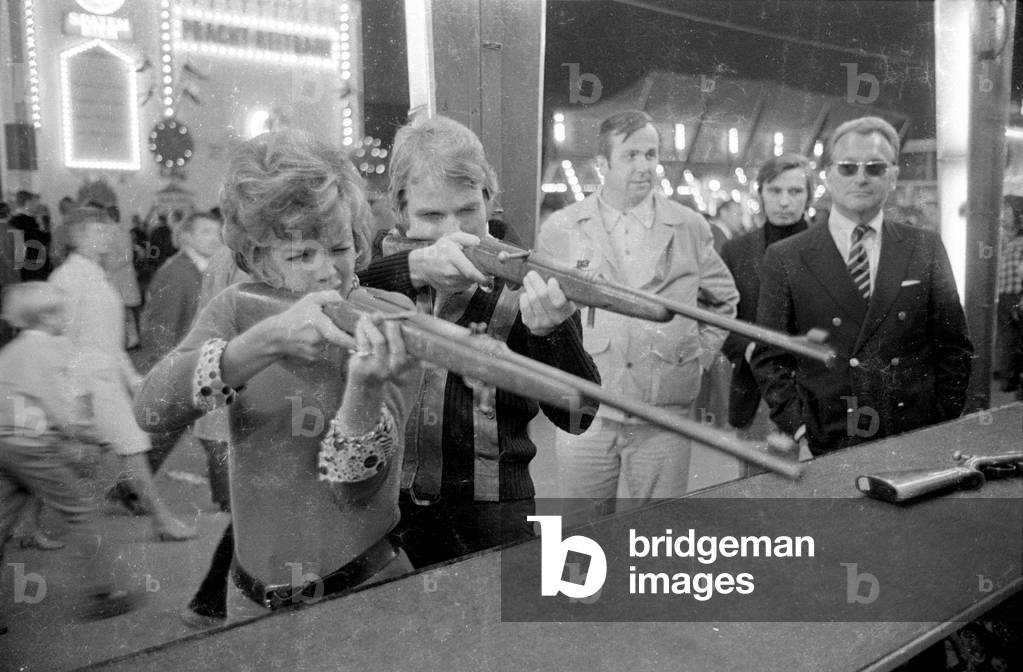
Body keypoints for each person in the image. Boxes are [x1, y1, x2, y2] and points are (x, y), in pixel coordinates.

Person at [135, 129, 416, 617]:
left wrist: (364, 387)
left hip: (365, 589)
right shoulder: (238, 309)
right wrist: (261, 343)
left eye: (341, 247)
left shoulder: (389, 318)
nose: (328, 271)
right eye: (300, 255)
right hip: (247, 597)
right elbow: (152, 410)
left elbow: (355, 490)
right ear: (256, 257)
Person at [359, 114, 600, 568]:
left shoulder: (531, 276)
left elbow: (578, 416)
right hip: (382, 507)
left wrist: (552, 335)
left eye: (468, 210)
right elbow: (332, 294)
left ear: (490, 200)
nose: (454, 231)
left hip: (494, 512)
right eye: (431, 215)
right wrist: (410, 270)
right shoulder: (369, 265)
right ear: (399, 210)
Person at [538, 109, 738, 514]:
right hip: (585, 409)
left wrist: (698, 355)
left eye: (651, 155)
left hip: (662, 411)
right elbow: (545, 312)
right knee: (582, 531)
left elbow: (723, 297)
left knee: (659, 531)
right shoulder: (562, 229)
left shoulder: (689, 226)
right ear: (602, 164)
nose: (644, 166)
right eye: (631, 156)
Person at [752, 116, 973, 455]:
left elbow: (953, 346)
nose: (860, 177)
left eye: (875, 168)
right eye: (847, 167)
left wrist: (939, 421)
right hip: (829, 439)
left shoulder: (925, 247)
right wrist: (800, 430)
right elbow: (771, 358)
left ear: (894, 176)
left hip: (913, 436)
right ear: (828, 175)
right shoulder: (786, 256)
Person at [47, 206, 194, 540]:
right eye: (95, 231)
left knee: (85, 454)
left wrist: (132, 379)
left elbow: (109, 339)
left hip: (104, 376)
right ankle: (162, 520)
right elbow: (62, 340)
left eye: (105, 230)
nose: (105, 236)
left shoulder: (96, 274)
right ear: (74, 237)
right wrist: (74, 392)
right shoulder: (67, 278)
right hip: (86, 380)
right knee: (130, 446)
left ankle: (24, 523)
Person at [0, 283, 140, 630]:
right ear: (46, 316)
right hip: (35, 446)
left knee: (2, 521)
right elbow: (61, 407)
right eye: (61, 310)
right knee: (79, 512)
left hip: (4, 443)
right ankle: (105, 593)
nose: (67, 316)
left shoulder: (12, 350)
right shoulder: (50, 351)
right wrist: (95, 437)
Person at [720, 154, 814, 443]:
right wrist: (749, 349)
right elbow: (717, 317)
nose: (784, 201)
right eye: (775, 191)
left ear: (808, 196)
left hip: (815, 393)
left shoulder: (829, 248)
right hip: (756, 392)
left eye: (795, 191)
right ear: (760, 193)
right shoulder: (736, 251)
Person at [995, 195, 1023, 395]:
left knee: (1017, 338)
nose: (1003, 215)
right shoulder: (1004, 239)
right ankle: (1008, 377)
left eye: (1007, 211)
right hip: (1004, 295)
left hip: (1018, 293)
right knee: (1007, 338)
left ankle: (1014, 378)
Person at [8, 190, 51, 281]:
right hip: (34, 271)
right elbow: (41, 243)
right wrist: (43, 227)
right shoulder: (29, 222)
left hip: (22, 271)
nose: (37, 206)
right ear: (28, 202)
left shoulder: (12, 221)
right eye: (35, 202)